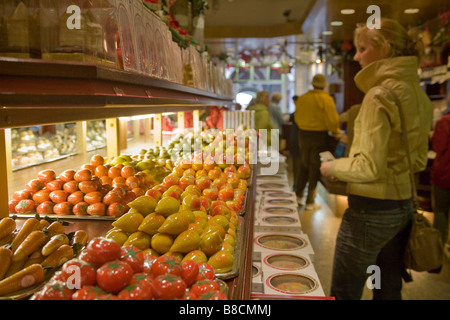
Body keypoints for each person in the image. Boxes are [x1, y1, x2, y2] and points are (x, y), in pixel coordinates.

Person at [320, 18, 433, 300]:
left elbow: (367, 167)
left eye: (362, 48)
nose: (356, 56)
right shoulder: (419, 96)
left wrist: (331, 166)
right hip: (403, 207)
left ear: (384, 47)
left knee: (345, 292)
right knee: (388, 289)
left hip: (369, 212)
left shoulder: (379, 95)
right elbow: (418, 162)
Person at [294, 74, 340, 209]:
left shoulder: (303, 98)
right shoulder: (326, 99)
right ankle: (310, 201)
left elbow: (296, 117)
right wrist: (335, 130)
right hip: (319, 135)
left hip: (303, 134)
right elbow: (333, 120)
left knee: (304, 163)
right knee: (314, 166)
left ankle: (298, 195)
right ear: (324, 85)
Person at [430, 99, 450, 253]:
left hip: (444, 175)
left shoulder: (444, 122)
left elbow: (438, 147)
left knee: (441, 212)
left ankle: (438, 248)